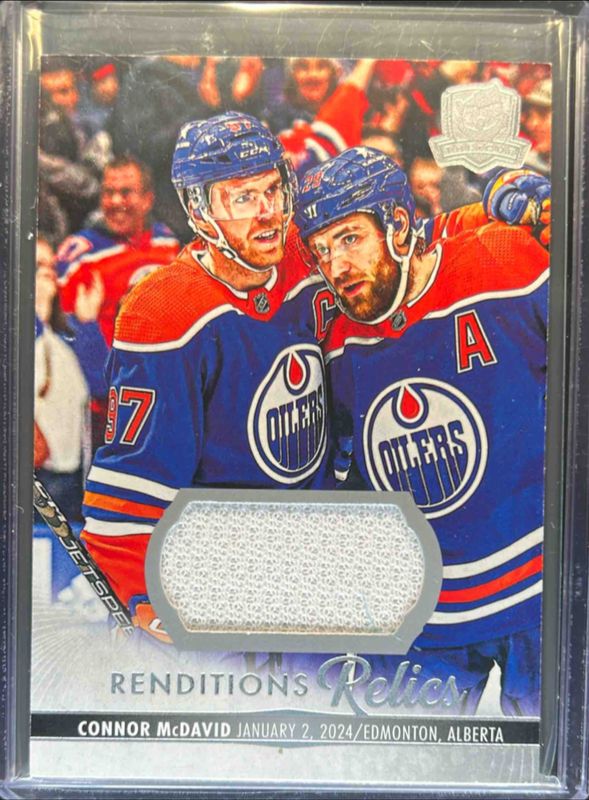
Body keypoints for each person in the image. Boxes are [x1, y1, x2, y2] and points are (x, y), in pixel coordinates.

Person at [295, 147, 550, 716]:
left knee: (550, 754)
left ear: (398, 226)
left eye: (350, 238)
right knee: (410, 756)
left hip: (538, 593)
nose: (336, 266)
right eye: (322, 250)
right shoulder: (335, 339)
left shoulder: (503, 261)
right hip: (425, 615)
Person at [79, 113, 330, 641]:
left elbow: (412, 241)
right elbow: (132, 485)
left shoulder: (309, 253)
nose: (267, 213)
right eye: (243, 198)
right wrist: (141, 599)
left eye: (273, 190)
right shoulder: (164, 311)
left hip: (315, 562)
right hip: (219, 575)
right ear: (199, 211)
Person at [57, 156, 180, 346]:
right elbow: (60, 337)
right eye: (108, 192)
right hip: (104, 362)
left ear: (147, 200)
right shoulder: (78, 255)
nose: (115, 201)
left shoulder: (167, 241)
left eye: (126, 192)